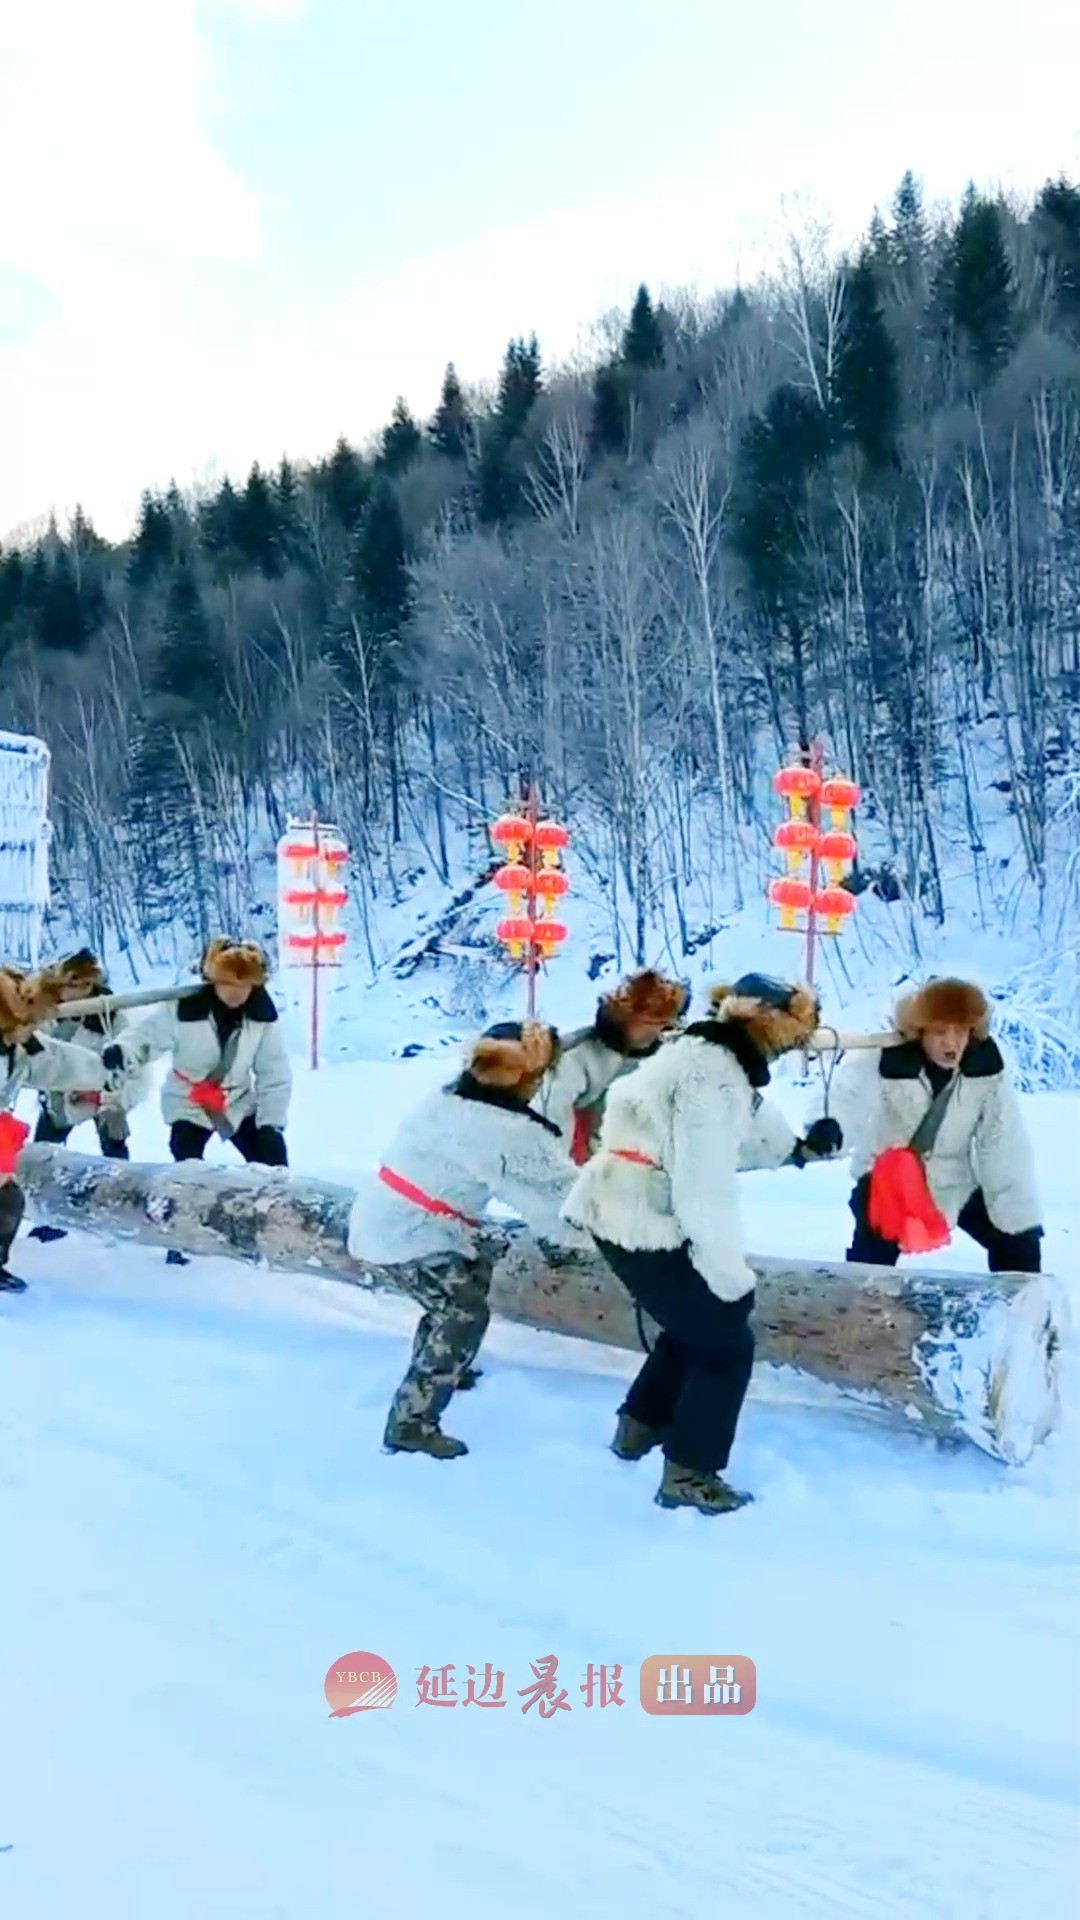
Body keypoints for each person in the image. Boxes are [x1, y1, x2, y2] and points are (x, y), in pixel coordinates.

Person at [561, 974, 843, 1516]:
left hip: (627, 1202)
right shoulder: (710, 1075)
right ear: (774, 1028)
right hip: (638, 1213)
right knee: (725, 1342)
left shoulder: (708, 1053)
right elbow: (704, 1187)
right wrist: (728, 1275)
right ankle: (690, 1473)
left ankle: (639, 1429)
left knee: (693, 1326)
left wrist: (800, 1150)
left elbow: (753, 1130)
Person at [347, 1019, 589, 1459]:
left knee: (463, 1286)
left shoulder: (452, 1098)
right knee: (461, 1314)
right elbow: (562, 1207)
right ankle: (411, 1422)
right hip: (409, 1233)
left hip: (391, 1218)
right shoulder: (505, 1132)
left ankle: (445, 1367)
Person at [832, 977, 1043, 1273]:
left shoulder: (987, 1069)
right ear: (920, 1032)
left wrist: (1017, 1216)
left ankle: (1019, 1311)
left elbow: (1002, 1140)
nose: (951, 1042)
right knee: (871, 1260)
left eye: (960, 1031)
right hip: (887, 1179)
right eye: (940, 1031)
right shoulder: (884, 1057)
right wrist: (829, 1130)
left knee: (1018, 1241)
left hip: (954, 1179)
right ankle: (863, 1308)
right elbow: (844, 1097)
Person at [123, 938, 291, 1166]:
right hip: (188, 1099)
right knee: (186, 1157)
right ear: (214, 981)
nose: (236, 994)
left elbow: (274, 1073)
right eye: (228, 985)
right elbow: (147, 1036)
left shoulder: (262, 1018)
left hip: (236, 1100)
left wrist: (271, 1124)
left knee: (271, 1157)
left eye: (243, 987)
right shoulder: (184, 1009)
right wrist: (123, 1052)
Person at [1, 964, 112, 1291]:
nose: (31, 1029)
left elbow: (57, 1061)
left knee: (7, 1201)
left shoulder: (20, 1045)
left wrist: (106, 1068)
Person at [535, 968, 689, 1162]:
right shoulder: (578, 1056)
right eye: (653, 1022)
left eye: (666, 1023)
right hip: (586, 1158)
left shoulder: (670, 1052)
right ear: (628, 1016)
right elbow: (551, 1116)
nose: (659, 1030)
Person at [32, 948, 147, 1160]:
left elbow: (133, 1060)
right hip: (59, 1094)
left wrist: (115, 1103)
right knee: (42, 1152)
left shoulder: (111, 1014)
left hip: (105, 1090)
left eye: (85, 983)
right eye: (71, 984)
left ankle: (119, 1188)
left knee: (114, 1147)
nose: (79, 989)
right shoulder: (43, 1008)